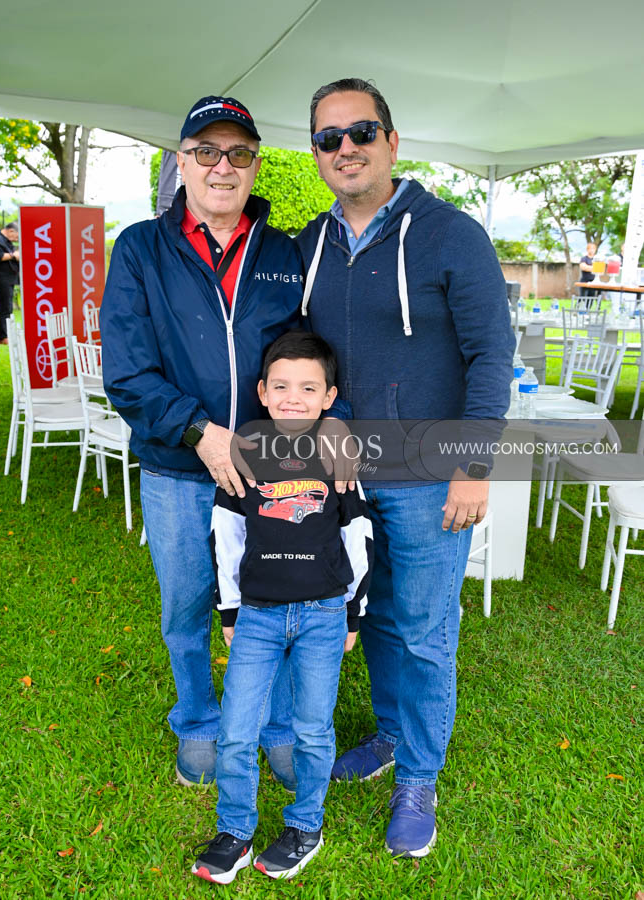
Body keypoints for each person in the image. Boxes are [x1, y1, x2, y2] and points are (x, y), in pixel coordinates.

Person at [296, 78, 515, 859]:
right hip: (348, 479)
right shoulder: (311, 244)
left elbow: (491, 354)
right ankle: (390, 734)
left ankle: (419, 778)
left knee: (424, 631)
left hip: (429, 478)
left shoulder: (451, 235)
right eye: (327, 138)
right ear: (316, 153)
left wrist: (473, 464)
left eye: (360, 132)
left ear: (391, 141)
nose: (344, 148)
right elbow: (306, 354)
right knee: (379, 615)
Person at [101, 95, 304, 789]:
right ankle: (197, 720)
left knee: (273, 599)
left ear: (255, 166)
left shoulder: (284, 252)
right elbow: (126, 373)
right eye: (207, 151)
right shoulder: (140, 249)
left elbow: (305, 357)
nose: (224, 166)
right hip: (177, 470)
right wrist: (200, 432)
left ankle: (277, 725)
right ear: (182, 162)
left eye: (239, 153)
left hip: (269, 468)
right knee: (187, 604)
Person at [192, 331, 373, 884]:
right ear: (263, 392)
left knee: (312, 731)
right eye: (282, 386)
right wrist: (229, 611)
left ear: (329, 397)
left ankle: (305, 827)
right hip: (258, 616)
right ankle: (234, 831)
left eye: (308, 388)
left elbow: (358, 535)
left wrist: (353, 613)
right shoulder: (245, 454)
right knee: (236, 730)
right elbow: (226, 536)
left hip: (323, 614)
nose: (294, 398)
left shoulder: (337, 456)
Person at [0, 222, 20, 344]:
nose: (16, 240)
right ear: (11, 231)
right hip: (1, 279)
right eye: (16, 237)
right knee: (5, 307)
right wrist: (13, 255)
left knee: (8, 307)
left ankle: (6, 334)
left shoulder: (7, 241)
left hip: (8, 279)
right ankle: (3, 337)